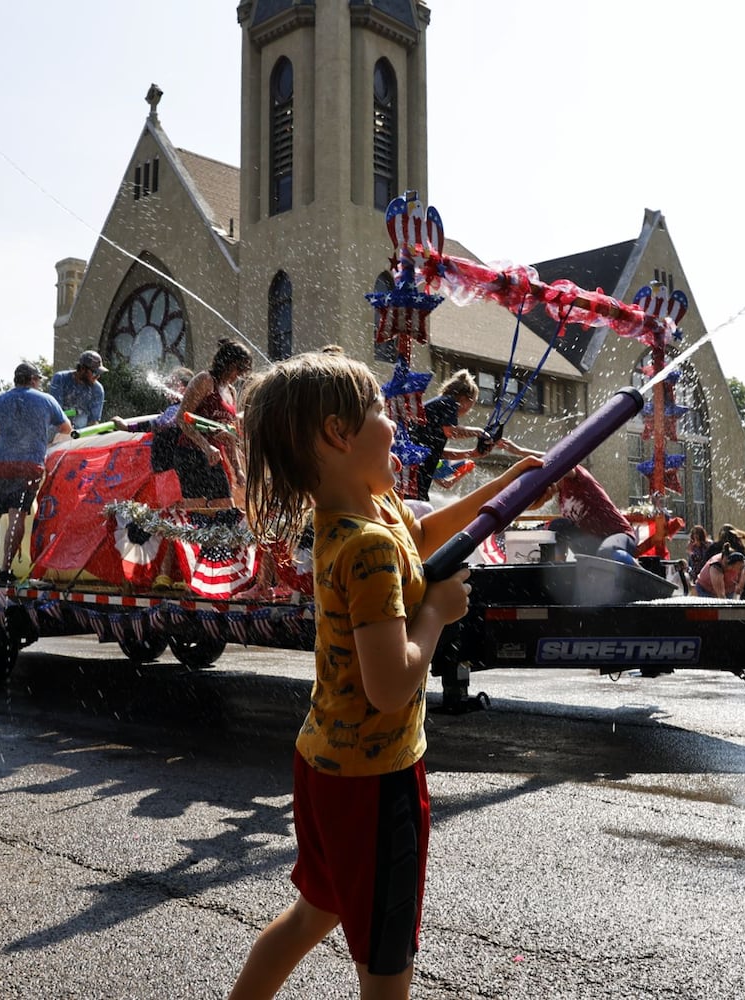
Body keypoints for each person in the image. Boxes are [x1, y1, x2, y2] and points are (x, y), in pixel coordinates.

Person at [230, 352, 542, 999]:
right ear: (337, 435)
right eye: (377, 410)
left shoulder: (366, 515)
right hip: (372, 784)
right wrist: (436, 613)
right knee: (385, 964)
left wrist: (505, 490)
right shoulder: (364, 544)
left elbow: (422, 535)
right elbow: (392, 686)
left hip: (324, 764)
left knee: (311, 915)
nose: (393, 425)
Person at [0, 362, 72, 582]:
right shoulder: (46, 400)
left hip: (0, 466)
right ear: (33, 379)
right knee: (17, 517)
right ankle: (5, 568)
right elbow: (66, 428)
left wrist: (1, 431)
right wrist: (46, 435)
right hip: (29, 468)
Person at [497, 440, 636, 561]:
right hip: (592, 544)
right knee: (559, 525)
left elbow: (558, 461)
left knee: (607, 552)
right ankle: (556, 567)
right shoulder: (562, 498)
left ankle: (641, 572)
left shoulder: (577, 477)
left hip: (619, 537)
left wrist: (520, 452)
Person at [153, 339, 252, 504]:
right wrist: (206, 446)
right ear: (227, 363)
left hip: (213, 456)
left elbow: (229, 437)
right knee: (199, 508)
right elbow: (182, 418)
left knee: (225, 508)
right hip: (190, 453)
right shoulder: (205, 380)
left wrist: (238, 469)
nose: (239, 375)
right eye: (238, 369)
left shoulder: (232, 392)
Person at [408, 370, 485, 501]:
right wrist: (479, 432)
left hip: (410, 473)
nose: (469, 410)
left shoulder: (438, 405)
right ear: (465, 398)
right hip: (412, 477)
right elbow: (451, 431)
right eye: (471, 405)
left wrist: (471, 453)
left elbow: (439, 453)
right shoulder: (449, 402)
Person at [46, 350, 108, 430]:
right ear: (82, 368)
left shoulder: (97, 390)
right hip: (57, 428)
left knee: (82, 419)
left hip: (80, 434)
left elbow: (93, 422)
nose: (97, 377)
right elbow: (56, 414)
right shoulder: (61, 379)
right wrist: (74, 414)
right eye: (95, 373)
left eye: (99, 373)